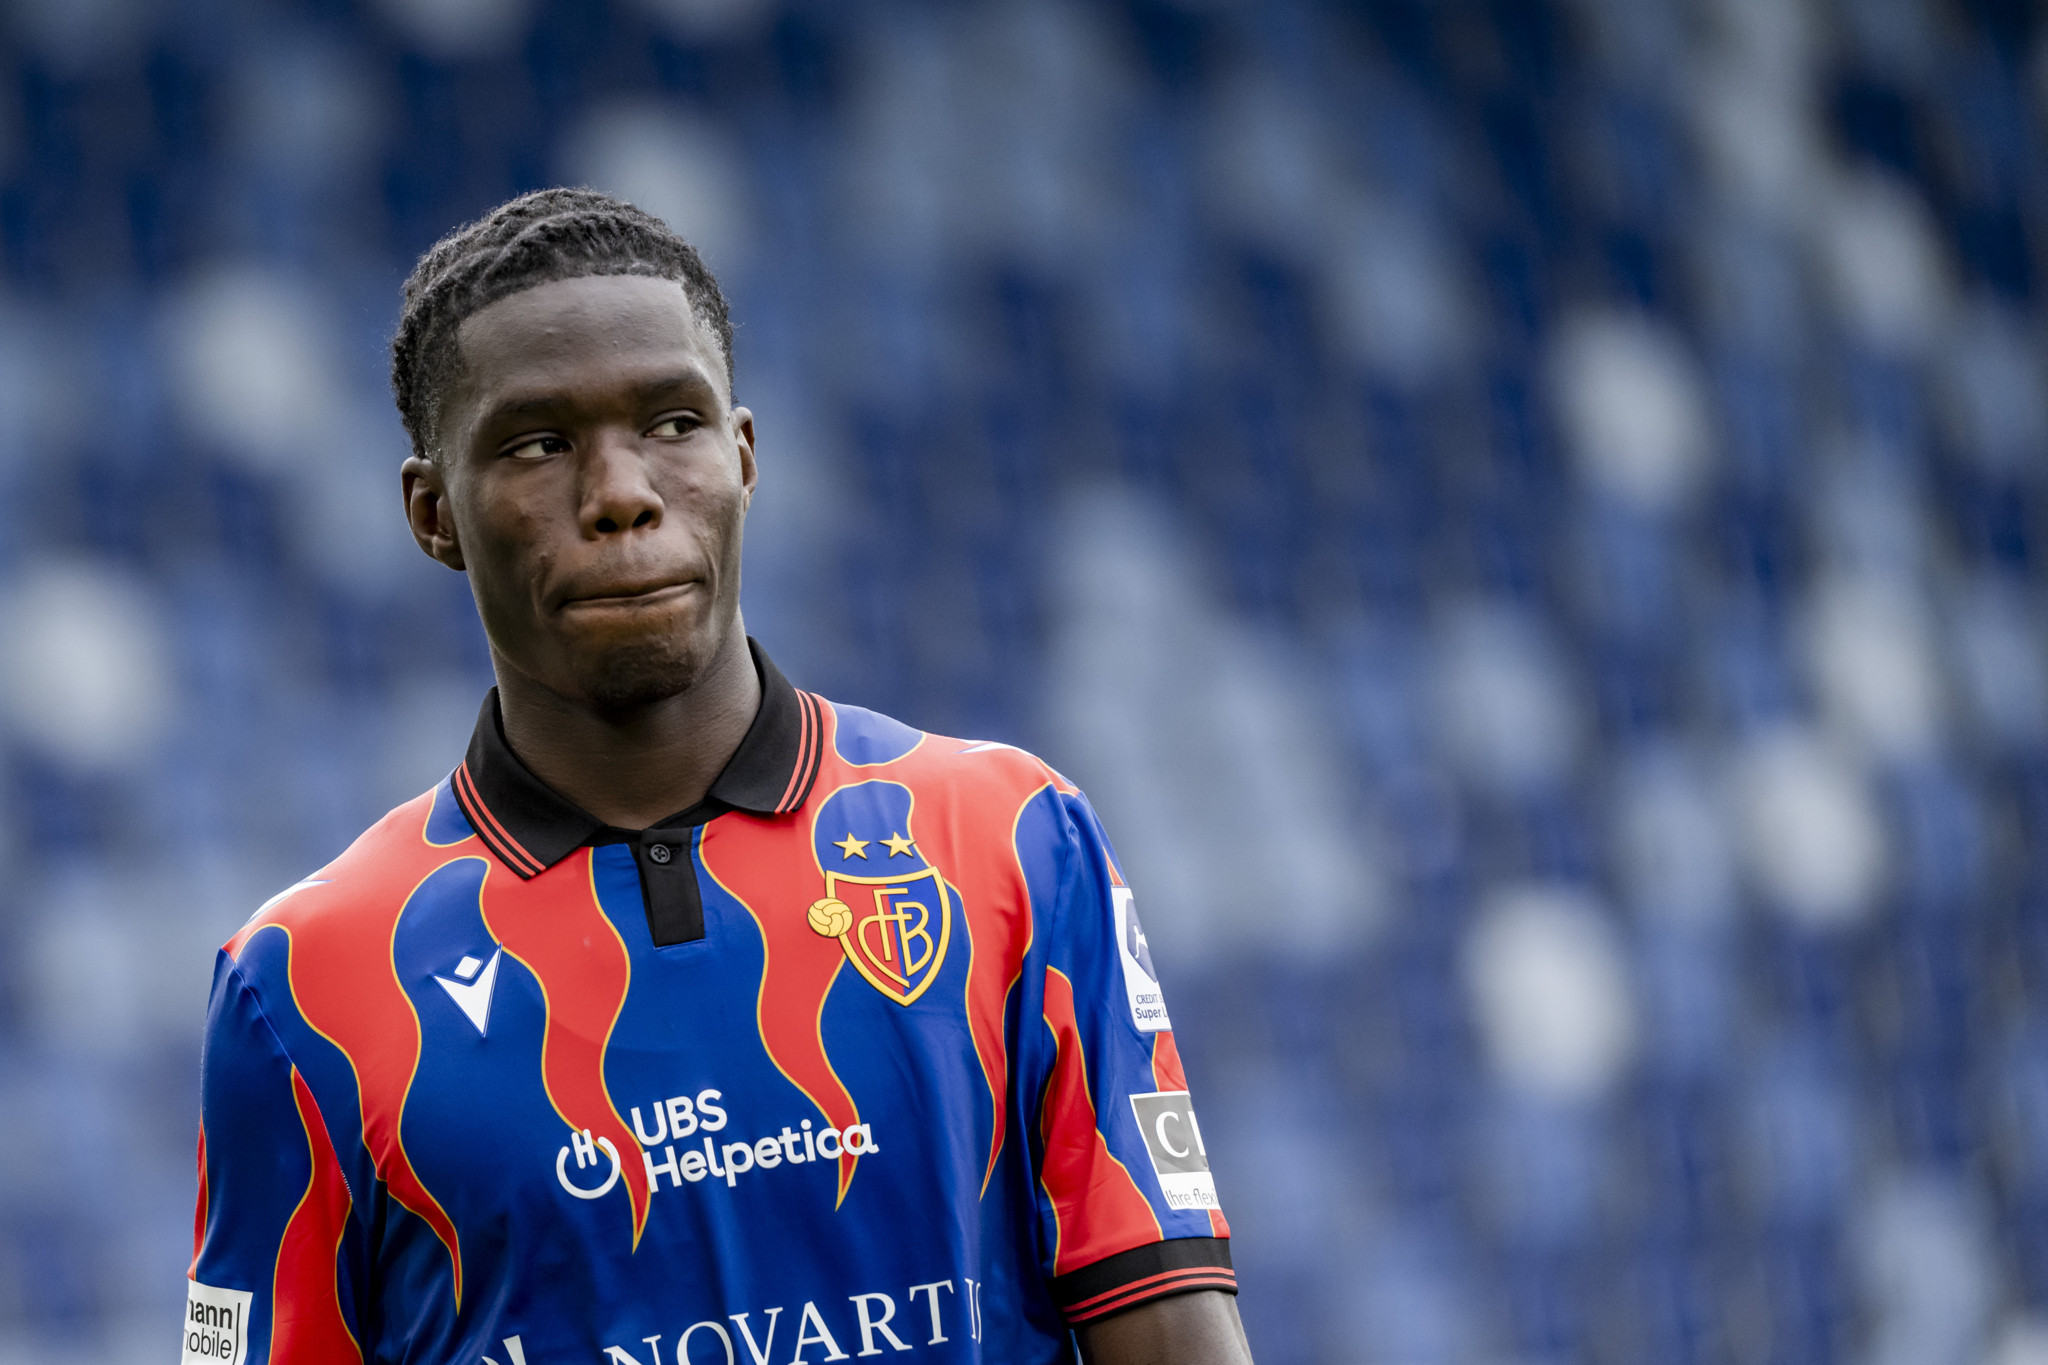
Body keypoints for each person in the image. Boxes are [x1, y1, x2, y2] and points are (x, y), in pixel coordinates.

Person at [184, 189, 1251, 1365]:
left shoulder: (1007, 838)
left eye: (672, 424)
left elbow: (1167, 1325)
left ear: (743, 458)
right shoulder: (305, 983)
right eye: (538, 444)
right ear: (432, 513)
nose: (621, 493)